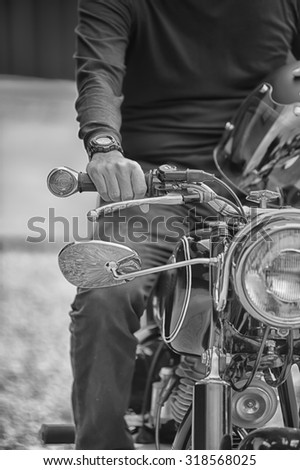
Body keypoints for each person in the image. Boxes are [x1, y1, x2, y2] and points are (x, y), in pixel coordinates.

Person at [71, 0, 300, 449]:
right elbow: (99, 72)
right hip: (153, 182)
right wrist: (104, 146)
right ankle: (99, 451)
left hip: (263, 180)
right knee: (105, 296)